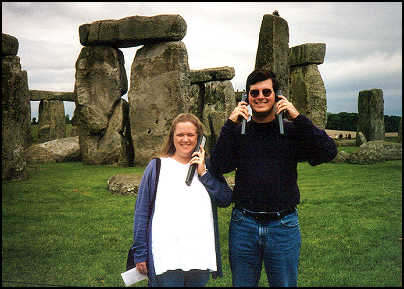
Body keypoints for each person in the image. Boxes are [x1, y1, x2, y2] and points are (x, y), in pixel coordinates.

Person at [210, 69, 338, 287]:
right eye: (254, 92)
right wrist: (230, 124)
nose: (260, 96)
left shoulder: (290, 133)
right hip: (244, 225)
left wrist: (298, 117)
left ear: (277, 96)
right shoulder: (240, 133)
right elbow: (218, 165)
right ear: (247, 98)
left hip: (283, 226)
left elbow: (328, 151)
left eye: (266, 91)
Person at [132, 113, 233, 287]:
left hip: (199, 255)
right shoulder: (157, 166)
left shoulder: (208, 167)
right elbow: (142, 212)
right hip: (166, 257)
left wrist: (204, 174)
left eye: (190, 135)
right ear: (172, 138)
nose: (185, 139)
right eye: (180, 135)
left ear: (199, 138)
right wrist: (140, 253)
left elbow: (225, 199)